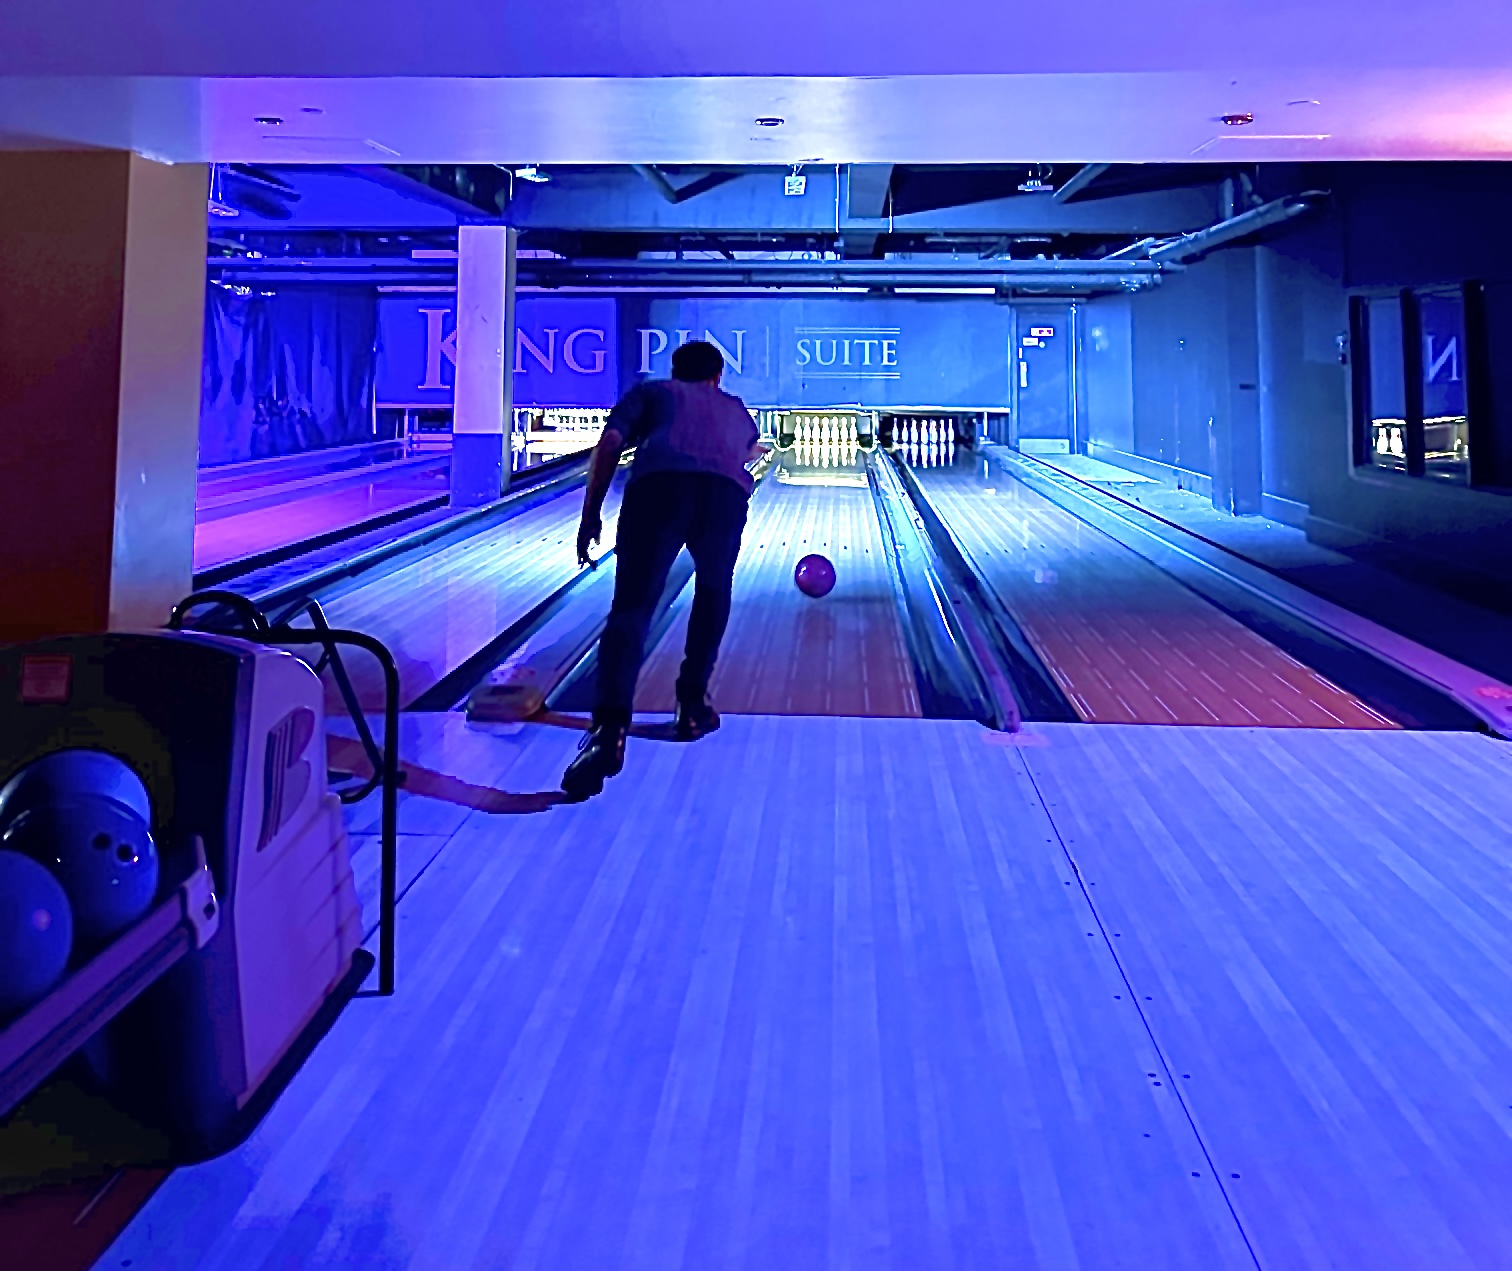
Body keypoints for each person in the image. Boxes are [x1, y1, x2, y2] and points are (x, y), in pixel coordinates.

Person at [561, 340, 767, 799]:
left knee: (632, 609)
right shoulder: (734, 407)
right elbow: (750, 451)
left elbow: (611, 440)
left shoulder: (652, 393)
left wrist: (590, 511)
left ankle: (609, 730)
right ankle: (692, 705)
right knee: (714, 592)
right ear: (717, 378)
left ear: (675, 373)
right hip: (723, 497)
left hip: (658, 491)